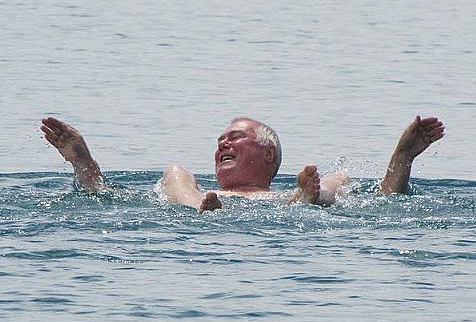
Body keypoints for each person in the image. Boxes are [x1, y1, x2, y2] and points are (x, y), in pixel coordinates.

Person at [40, 115, 445, 211]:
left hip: (288, 204)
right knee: (175, 170)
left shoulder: (286, 189)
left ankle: (401, 156)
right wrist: (82, 162)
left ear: (268, 153)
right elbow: (102, 198)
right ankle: (196, 211)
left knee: (338, 177)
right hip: (206, 204)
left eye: (234, 138)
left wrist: (304, 197)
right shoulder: (190, 181)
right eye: (219, 143)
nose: (222, 145)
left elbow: (386, 200)